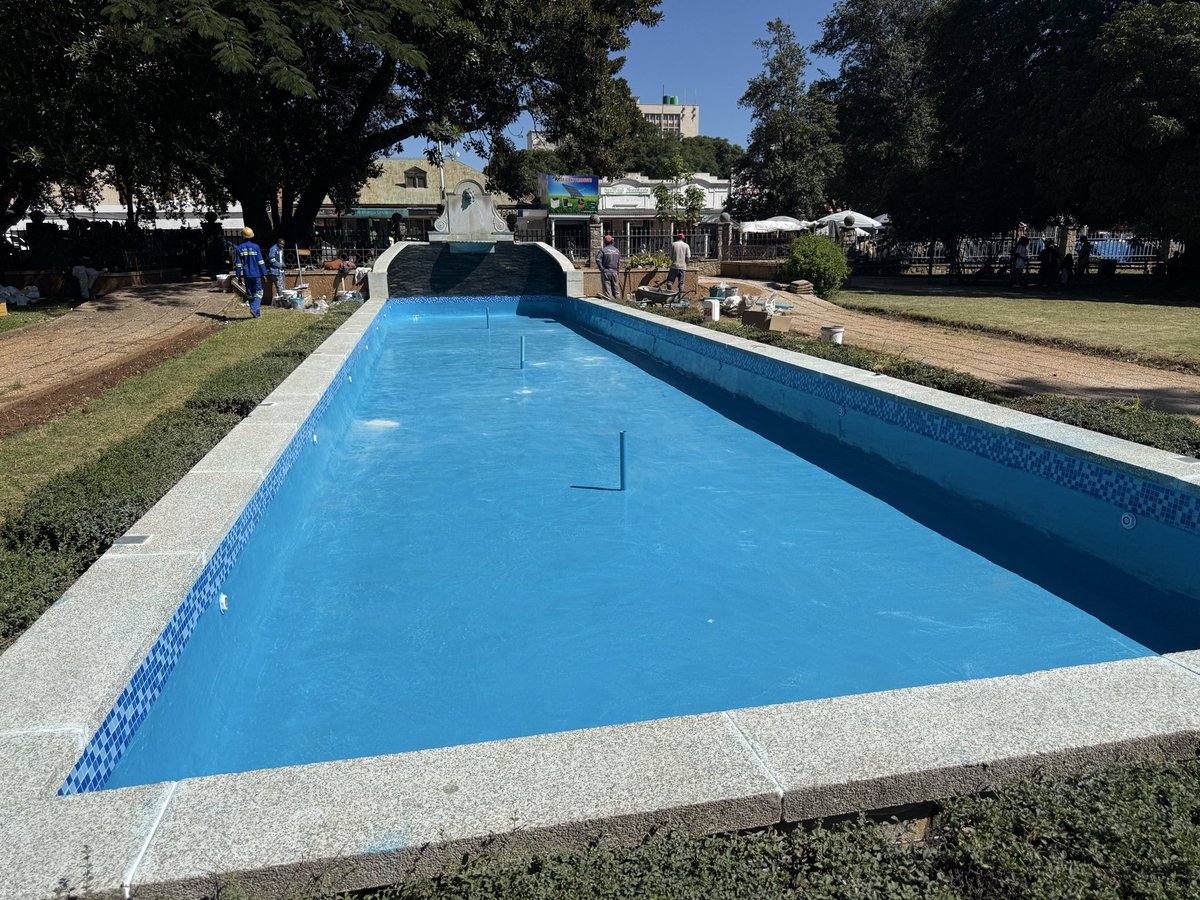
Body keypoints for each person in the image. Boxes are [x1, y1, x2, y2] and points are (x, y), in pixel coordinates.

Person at [233, 227, 267, 318]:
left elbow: (238, 264)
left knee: (250, 294)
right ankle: (254, 308)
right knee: (259, 292)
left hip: (247, 275)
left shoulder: (239, 248)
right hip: (256, 274)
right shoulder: (256, 247)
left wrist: (238, 276)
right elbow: (260, 261)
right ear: (251, 236)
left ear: (243, 236)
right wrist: (264, 274)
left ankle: (256, 314)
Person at [595, 234, 621, 299]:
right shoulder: (617, 251)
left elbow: (598, 259)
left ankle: (609, 303)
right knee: (616, 290)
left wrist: (602, 268)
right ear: (612, 241)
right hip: (614, 272)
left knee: (607, 290)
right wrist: (617, 272)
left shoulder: (603, 250)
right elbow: (618, 263)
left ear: (605, 242)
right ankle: (619, 303)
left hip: (606, 272)